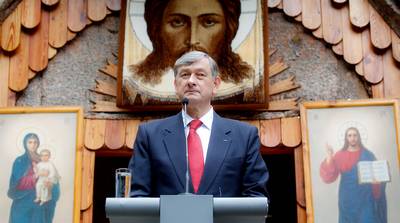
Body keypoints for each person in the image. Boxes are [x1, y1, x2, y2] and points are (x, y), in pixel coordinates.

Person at [128, 51, 269, 197]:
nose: (191, 81)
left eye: (200, 75)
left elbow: (256, 197)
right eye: (184, 75)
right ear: (176, 85)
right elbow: (137, 195)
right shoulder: (150, 135)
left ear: (215, 84)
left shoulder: (244, 136)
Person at [128, 0, 254, 85]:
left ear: (229, 28)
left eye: (209, 22)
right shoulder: (138, 79)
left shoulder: (244, 80)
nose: (193, 40)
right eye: (177, 22)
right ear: (156, 28)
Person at [320, 127, 387, 223]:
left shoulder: (368, 154)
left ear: (359, 137)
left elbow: (377, 175)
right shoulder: (340, 155)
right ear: (346, 138)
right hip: (347, 198)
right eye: (349, 135)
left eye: (355, 135)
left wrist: (377, 181)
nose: (352, 138)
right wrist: (329, 157)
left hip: (366, 197)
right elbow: (328, 177)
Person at [8, 133, 60, 223]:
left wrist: (51, 184)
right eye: (30, 142)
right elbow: (17, 182)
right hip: (24, 201)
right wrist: (35, 176)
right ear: (25, 143)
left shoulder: (43, 159)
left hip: (41, 201)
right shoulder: (20, 161)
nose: (33, 145)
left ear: (38, 143)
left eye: (35, 142)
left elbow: (55, 176)